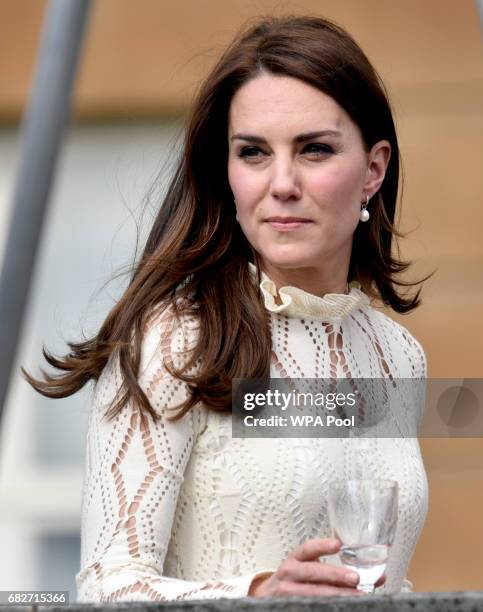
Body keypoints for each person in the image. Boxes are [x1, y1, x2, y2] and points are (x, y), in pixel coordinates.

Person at [22, 14, 432, 602]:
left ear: (374, 169)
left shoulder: (399, 359)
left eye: (314, 149)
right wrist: (258, 594)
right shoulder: (172, 342)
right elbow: (106, 588)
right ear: (229, 170)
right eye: (254, 152)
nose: (282, 182)